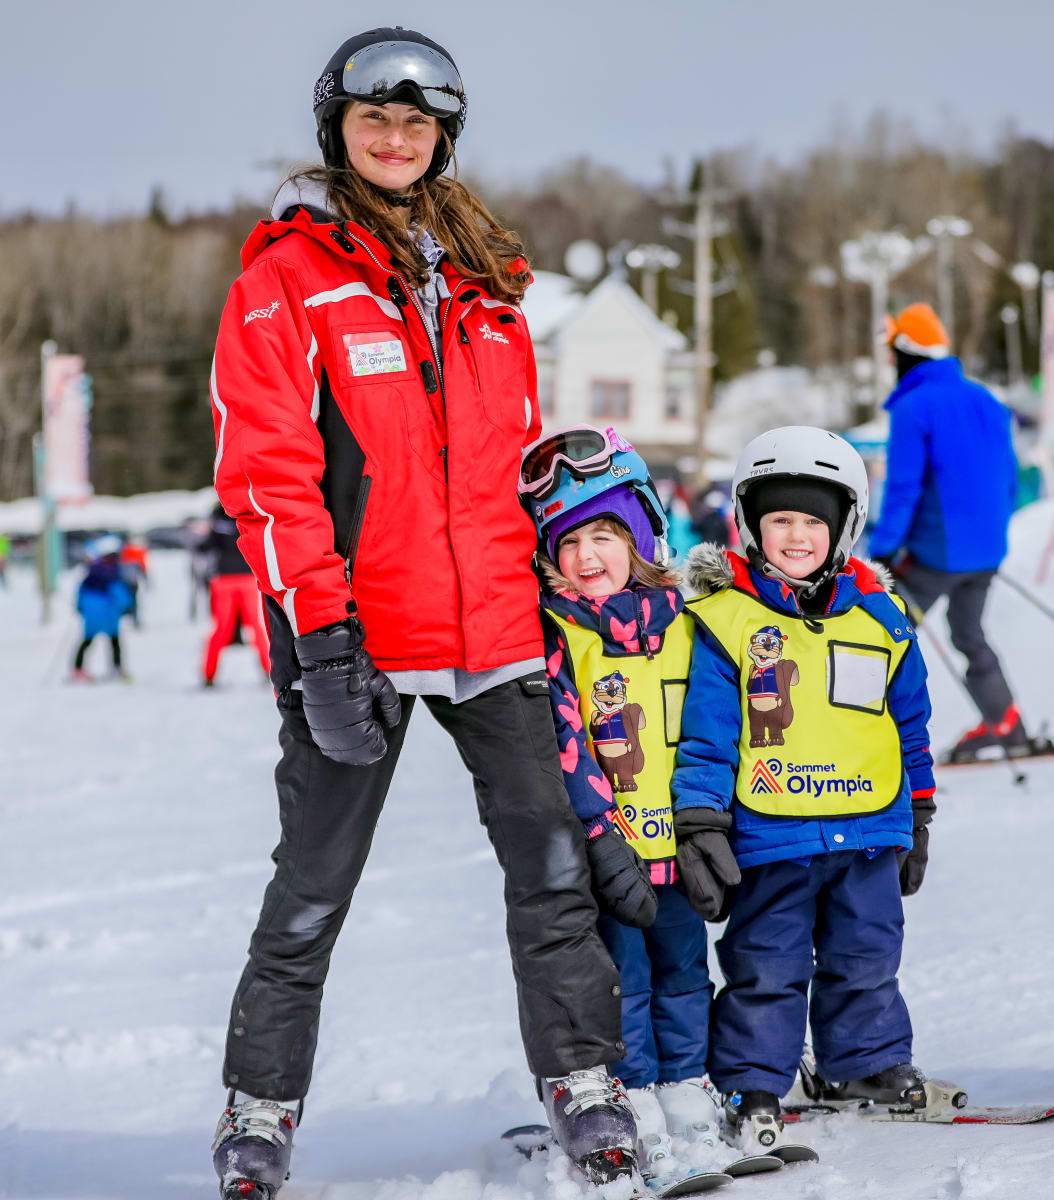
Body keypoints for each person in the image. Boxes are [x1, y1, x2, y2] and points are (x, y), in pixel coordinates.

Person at [206, 29, 629, 1197]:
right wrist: (323, 639)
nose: (395, 140)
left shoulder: (488, 277)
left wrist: (588, 564)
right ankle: (259, 1109)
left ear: (444, 137)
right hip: (361, 639)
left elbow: (510, 462)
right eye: (372, 122)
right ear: (335, 131)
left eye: (417, 124)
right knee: (312, 887)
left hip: (498, 630)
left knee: (552, 873)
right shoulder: (288, 274)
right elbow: (269, 471)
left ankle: (584, 1083)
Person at [673, 426, 936, 1149]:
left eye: (811, 522)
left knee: (868, 955)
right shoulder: (725, 621)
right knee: (766, 963)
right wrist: (699, 821)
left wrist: (919, 811)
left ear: (842, 527)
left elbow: (909, 722)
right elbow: (705, 732)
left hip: (870, 827)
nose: (794, 536)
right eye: (778, 519)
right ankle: (753, 1080)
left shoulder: (882, 618)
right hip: (772, 830)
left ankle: (865, 1063)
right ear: (750, 526)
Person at [522, 425, 725, 1176]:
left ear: (641, 536)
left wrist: (714, 820)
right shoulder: (558, 633)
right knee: (625, 984)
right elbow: (564, 743)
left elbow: (715, 726)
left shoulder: (688, 625)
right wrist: (599, 837)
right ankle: (635, 1096)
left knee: (684, 974)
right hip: (609, 858)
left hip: (682, 849)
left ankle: (688, 1090)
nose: (587, 556)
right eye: (569, 541)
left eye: (605, 534)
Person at [868, 303, 1027, 763]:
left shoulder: (915, 407)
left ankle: (867, 731)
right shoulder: (987, 400)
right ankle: (1005, 722)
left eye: (891, 351)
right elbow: (1009, 480)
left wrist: (883, 551)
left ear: (905, 351)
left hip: (937, 553)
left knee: (883, 632)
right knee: (968, 633)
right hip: (986, 550)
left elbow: (903, 488)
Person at [199, 503, 271, 686]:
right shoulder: (248, 509)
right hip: (245, 577)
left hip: (224, 579)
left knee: (222, 628)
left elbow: (205, 546)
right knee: (255, 627)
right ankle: (270, 669)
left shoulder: (217, 516)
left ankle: (209, 674)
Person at [71, 535, 132, 681]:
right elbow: (119, 593)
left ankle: (78, 669)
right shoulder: (113, 573)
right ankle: (117, 667)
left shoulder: (91, 572)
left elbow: (81, 591)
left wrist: (80, 607)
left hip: (91, 612)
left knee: (86, 641)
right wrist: (126, 608)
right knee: (114, 641)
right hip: (108, 613)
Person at [118, 537, 149, 627]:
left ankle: (127, 618)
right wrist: (146, 579)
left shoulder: (122, 552)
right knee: (133, 601)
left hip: (125, 581)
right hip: (132, 581)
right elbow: (142, 567)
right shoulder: (137, 552)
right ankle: (134, 619)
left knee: (126, 601)